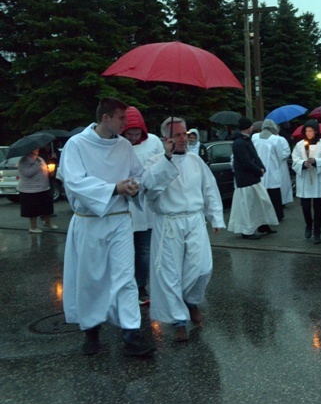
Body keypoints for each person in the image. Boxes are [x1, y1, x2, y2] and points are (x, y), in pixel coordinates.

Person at [60, 97, 155, 356]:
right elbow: (75, 182)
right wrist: (114, 188)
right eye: (121, 118)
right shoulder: (76, 145)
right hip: (90, 222)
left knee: (126, 278)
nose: (126, 124)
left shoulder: (124, 146)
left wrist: (135, 187)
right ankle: (91, 331)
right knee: (92, 279)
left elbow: (136, 175)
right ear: (105, 118)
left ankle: (131, 334)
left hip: (120, 220)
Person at [141, 116, 225, 342]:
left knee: (202, 268)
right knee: (170, 273)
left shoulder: (196, 161)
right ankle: (178, 320)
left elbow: (209, 189)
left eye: (184, 134)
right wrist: (167, 159)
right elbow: (149, 187)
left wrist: (215, 217)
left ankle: (190, 301)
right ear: (165, 138)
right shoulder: (154, 162)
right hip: (169, 223)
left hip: (195, 220)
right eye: (177, 134)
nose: (182, 139)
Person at [121, 106, 165, 305]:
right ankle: (124, 286)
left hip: (146, 206)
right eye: (129, 133)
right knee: (124, 249)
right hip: (124, 205)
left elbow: (162, 166)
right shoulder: (117, 144)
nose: (132, 137)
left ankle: (140, 286)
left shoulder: (153, 142)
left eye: (136, 133)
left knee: (144, 249)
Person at [228, 117, 278, 239]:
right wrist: (258, 169)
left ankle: (262, 224)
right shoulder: (239, 143)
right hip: (245, 180)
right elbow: (245, 161)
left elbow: (254, 156)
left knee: (261, 202)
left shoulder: (245, 140)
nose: (253, 127)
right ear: (247, 127)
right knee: (247, 207)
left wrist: (261, 167)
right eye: (251, 125)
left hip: (252, 178)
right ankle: (246, 230)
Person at [292, 119, 321, 245]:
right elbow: (295, 160)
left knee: (317, 208)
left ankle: (317, 232)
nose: (308, 133)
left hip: (318, 179)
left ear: (316, 131)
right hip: (305, 179)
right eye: (306, 131)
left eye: (311, 131)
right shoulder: (299, 145)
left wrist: (316, 162)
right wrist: (303, 163)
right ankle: (308, 225)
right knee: (305, 206)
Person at [252, 119, 289, 222]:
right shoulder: (276, 139)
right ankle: (277, 215)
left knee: (261, 193)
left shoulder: (255, 137)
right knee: (274, 194)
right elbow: (280, 156)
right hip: (272, 169)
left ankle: (261, 215)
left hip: (258, 169)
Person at [17, 148, 57, 233]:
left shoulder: (39, 158)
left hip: (43, 187)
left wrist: (50, 172)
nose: (37, 149)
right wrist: (37, 165)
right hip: (30, 189)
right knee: (32, 209)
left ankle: (48, 222)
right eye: (35, 148)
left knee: (47, 206)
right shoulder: (23, 160)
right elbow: (27, 173)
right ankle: (33, 227)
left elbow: (43, 169)